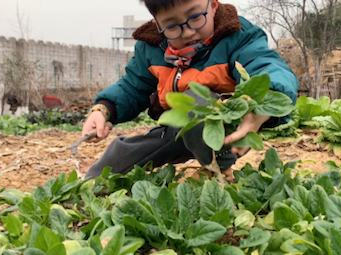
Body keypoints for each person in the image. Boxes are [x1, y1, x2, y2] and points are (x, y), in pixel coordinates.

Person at [82, 0, 299, 180]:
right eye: (172, 25)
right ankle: (88, 185)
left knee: (196, 101)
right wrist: (104, 109)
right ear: (157, 23)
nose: (187, 31)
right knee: (117, 160)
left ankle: (218, 170)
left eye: (195, 17)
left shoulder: (237, 36)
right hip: (178, 127)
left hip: (226, 127)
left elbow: (269, 67)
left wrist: (261, 102)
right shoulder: (151, 47)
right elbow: (131, 87)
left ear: (213, 5)